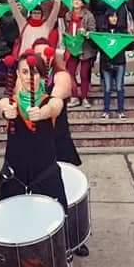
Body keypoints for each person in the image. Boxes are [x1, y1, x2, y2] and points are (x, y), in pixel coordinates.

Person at [0, 51, 85, 267]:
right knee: (1, 238)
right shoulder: (10, 102)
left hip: (46, 176)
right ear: (17, 76)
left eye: (35, 72)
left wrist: (44, 110)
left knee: (57, 238)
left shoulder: (51, 102)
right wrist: (6, 109)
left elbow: (55, 108)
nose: (29, 77)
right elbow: (2, 105)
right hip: (14, 176)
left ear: (43, 76)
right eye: (25, 72)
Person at [31, 38, 83, 172]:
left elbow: (55, 99)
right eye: (38, 54)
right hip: (35, 138)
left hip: (57, 136)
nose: (42, 57)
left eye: (46, 53)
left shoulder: (61, 75)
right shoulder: (28, 77)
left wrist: (43, 111)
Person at [64, 0, 97, 108]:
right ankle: (74, 97)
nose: (75, 2)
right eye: (74, 0)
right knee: (70, 73)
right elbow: (66, 29)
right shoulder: (68, 15)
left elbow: (93, 31)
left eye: (78, 0)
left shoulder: (89, 15)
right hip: (72, 47)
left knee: (84, 75)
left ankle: (84, 98)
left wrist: (86, 32)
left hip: (85, 48)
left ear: (82, 3)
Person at [98, 9, 129, 120]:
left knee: (120, 86)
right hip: (106, 63)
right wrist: (89, 37)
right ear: (107, 18)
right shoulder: (102, 32)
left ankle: (121, 111)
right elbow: (97, 45)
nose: (114, 18)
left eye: (115, 16)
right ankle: (106, 111)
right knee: (107, 87)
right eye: (111, 16)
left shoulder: (123, 32)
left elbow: (128, 46)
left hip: (120, 62)